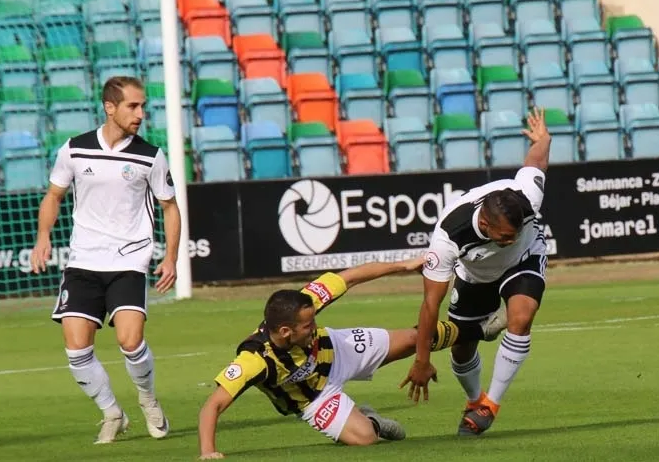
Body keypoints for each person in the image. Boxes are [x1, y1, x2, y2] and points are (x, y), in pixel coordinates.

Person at [198, 256, 506, 459]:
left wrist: (404, 266)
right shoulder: (254, 360)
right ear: (285, 331)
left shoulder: (303, 304)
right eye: (308, 326)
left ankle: (480, 328)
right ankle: (371, 419)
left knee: (414, 339)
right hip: (313, 398)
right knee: (365, 439)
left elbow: (353, 276)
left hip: (339, 349)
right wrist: (208, 452)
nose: (313, 325)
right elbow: (212, 406)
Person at [30, 76, 179, 443]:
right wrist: (43, 237)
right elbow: (53, 195)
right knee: (76, 348)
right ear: (109, 107)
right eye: (133, 106)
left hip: (128, 260)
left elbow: (170, 208)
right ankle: (112, 412)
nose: (141, 113)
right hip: (83, 261)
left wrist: (171, 257)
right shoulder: (75, 149)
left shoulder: (150, 155)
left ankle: (147, 398)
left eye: (143, 106)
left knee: (130, 340)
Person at [400, 107, 552, 437]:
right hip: (475, 275)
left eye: (515, 231)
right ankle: (474, 400)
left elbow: (535, 163)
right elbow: (430, 305)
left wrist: (544, 139)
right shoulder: (448, 237)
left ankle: (490, 406)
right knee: (462, 347)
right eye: (504, 235)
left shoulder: (526, 198)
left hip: (525, 259)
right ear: (484, 224)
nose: (509, 238)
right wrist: (422, 360)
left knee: (521, 318)